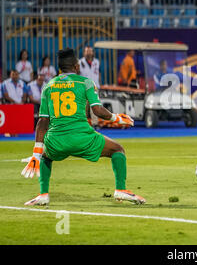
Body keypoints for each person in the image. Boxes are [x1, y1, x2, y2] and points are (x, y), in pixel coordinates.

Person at [22, 48, 145, 206]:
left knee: (45, 157)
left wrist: (36, 154)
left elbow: (42, 122)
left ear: (59, 68)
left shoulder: (48, 86)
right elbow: (97, 110)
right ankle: (120, 189)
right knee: (117, 150)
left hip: (56, 139)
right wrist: (117, 118)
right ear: (76, 65)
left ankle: (43, 194)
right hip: (82, 137)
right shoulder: (85, 82)